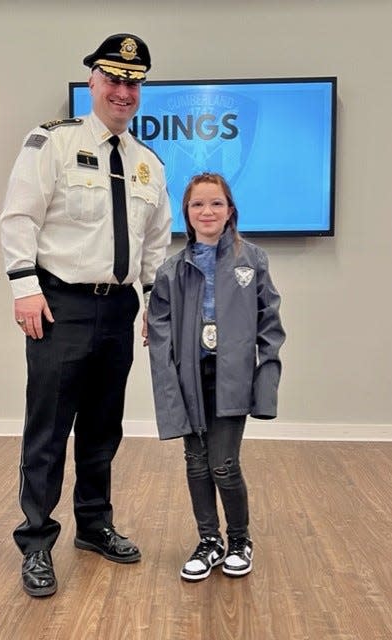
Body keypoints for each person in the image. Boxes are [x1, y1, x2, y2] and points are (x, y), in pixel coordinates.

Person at [0, 33, 171, 597]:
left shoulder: (148, 163)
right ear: (93, 81)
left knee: (103, 429)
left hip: (118, 309)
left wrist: (154, 304)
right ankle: (36, 540)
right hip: (60, 305)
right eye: (113, 79)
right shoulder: (51, 141)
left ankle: (94, 526)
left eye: (133, 82)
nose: (123, 91)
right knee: (48, 430)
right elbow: (20, 217)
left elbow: (154, 245)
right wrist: (24, 289)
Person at [147, 172, 285, 582]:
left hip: (233, 379)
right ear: (186, 215)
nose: (207, 211)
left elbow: (269, 328)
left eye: (216, 204)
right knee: (195, 463)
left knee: (223, 464)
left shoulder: (252, 260)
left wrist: (265, 384)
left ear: (230, 212)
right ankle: (209, 542)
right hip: (191, 378)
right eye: (197, 205)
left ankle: (240, 540)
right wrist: (169, 393)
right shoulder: (171, 270)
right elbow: (159, 337)